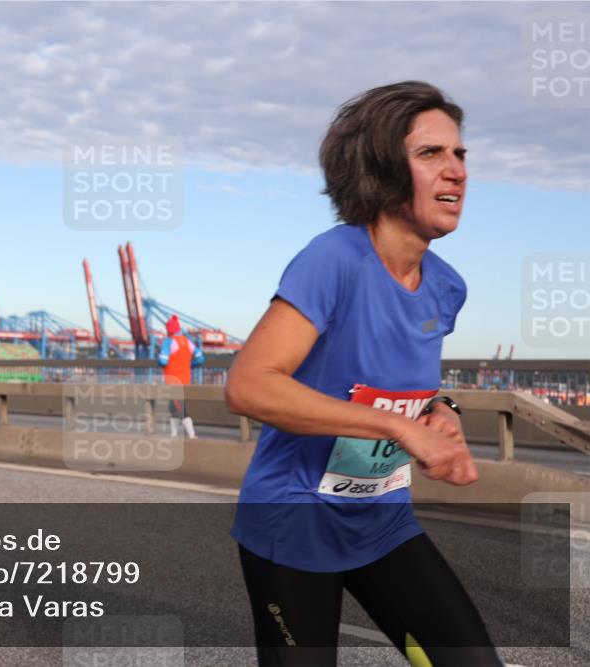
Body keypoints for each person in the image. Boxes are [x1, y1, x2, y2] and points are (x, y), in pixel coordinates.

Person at [225, 82, 501, 666]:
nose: (456, 171)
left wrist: (439, 409)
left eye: (460, 154)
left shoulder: (448, 286)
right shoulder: (335, 260)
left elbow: (397, 376)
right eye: (431, 154)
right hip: (293, 526)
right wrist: (398, 429)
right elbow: (250, 385)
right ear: (379, 170)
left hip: (382, 522)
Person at [156, 314, 204, 438]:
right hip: (185, 380)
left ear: (168, 330)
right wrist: (190, 365)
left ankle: (192, 435)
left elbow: (163, 361)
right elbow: (200, 359)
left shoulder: (168, 342)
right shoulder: (187, 341)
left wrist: (159, 361)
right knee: (172, 406)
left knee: (179, 406)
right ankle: (174, 434)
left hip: (173, 380)